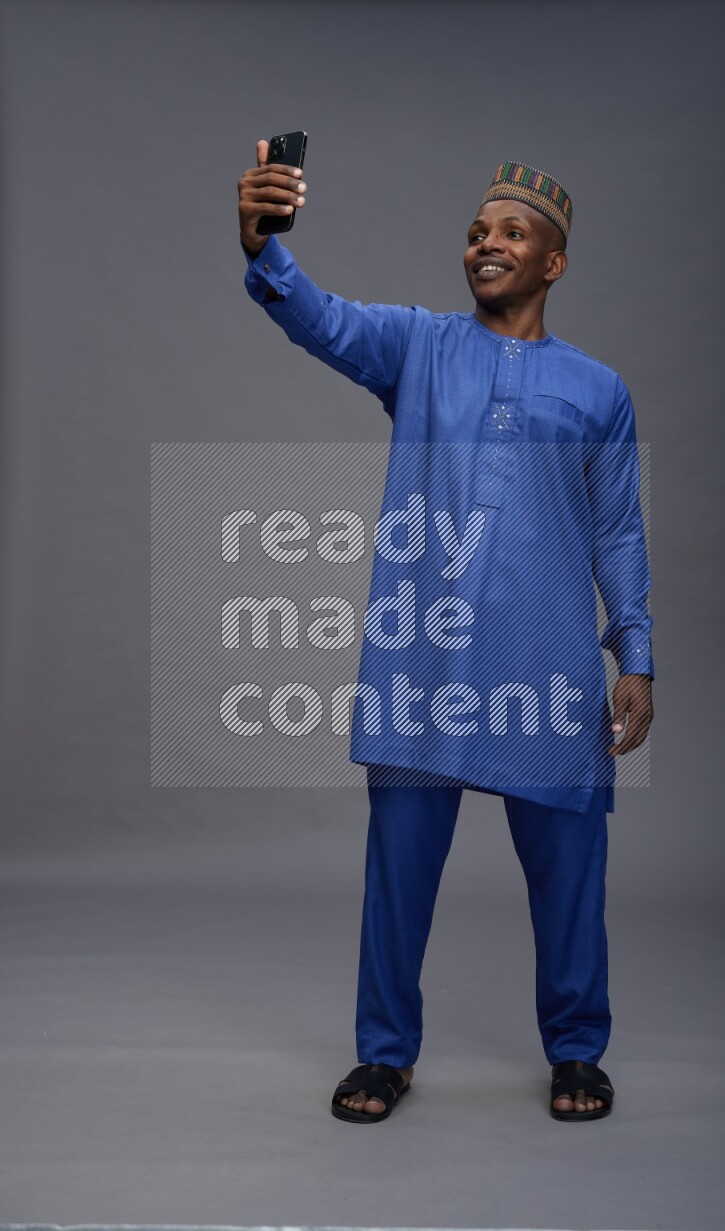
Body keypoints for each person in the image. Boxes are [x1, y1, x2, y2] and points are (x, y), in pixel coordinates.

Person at [237, 141, 654, 1122]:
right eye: (475, 231)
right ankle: (383, 1053)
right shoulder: (418, 349)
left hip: (547, 673)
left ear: (551, 262)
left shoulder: (598, 390)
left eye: (510, 232)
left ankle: (576, 1051)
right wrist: (262, 249)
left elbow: (618, 529)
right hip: (423, 665)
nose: (485, 244)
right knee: (396, 874)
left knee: (568, 881)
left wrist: (632, 652)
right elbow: (323, 322)